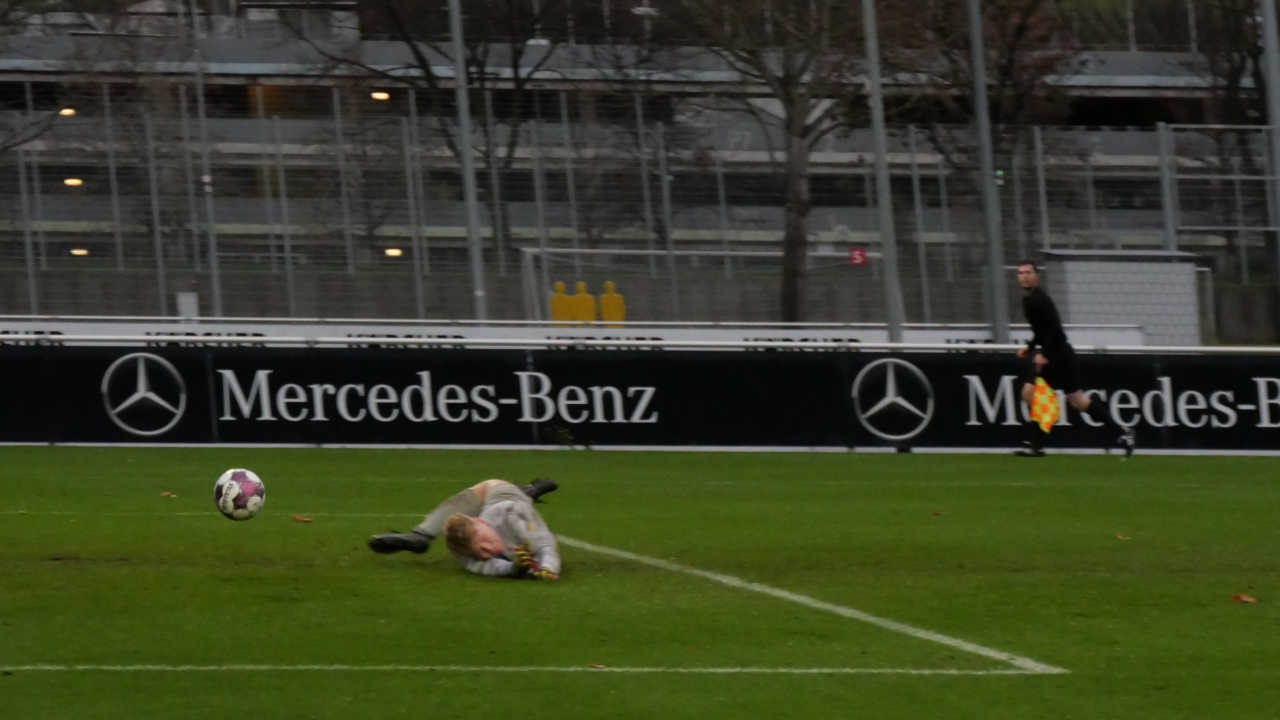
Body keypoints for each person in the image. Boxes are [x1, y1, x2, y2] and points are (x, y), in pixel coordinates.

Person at [1014, 259, 1135, 458]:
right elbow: (1041, 330)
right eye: (1020, 273)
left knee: (1036, 393)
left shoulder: (1039, 300)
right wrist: (1030, 348)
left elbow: (1054, 329)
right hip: (1058, 353)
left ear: (1036, 276)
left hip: (1058, 355)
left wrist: (1043, 354)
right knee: (1073, 400)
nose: (1024, 276)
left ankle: (1036, 444)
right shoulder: (1030, 299)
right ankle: (1122, 433)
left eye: (1028, 272)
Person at [368, 478, 561, 580]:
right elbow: (491, 567)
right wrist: (515, 568)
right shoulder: (468, 556)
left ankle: (421, 534)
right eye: (481, 551)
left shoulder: (509, 513)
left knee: (491, 486)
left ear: (481, 522)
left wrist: (547, 568)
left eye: (484, 542)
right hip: (497, 508)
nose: (489, 550)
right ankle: (528, 490)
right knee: (499, 494)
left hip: (502, 501)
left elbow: (546, 545)